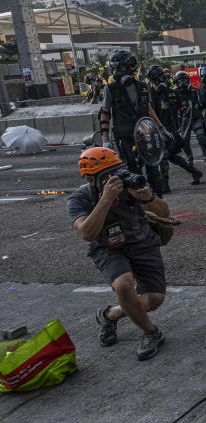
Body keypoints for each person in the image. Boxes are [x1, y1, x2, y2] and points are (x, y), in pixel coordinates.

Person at [68, 147, 170, 360]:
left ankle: (109, 314)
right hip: (109, 248)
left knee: (154, 300)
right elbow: (87, 233)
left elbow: (164, 213)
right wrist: (105, 200)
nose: (115, 179)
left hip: (143, 243)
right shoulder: (81, 198)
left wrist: (148, 197)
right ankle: (151, 332)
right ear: (91, 179)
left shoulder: (131, 185)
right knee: (124, 285)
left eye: (118, 171)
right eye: (107, 176)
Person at [98, 51, 164, 194]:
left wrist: (161, 128)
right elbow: (105, 113)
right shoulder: (110, 89)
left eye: (120, 68)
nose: (116, 72)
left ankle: (157, 202)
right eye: (114, 68)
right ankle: (139, 208)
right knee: (132, 172)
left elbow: (148, 109)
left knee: (153, 169)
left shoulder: (142, 87)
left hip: (145, 133)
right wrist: (105, 139)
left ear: (130, 67)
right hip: (125, 136)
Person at [145, 66, 203, 191]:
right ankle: (195, 172)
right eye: (159, 78)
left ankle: (165, 185)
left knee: (164, 156)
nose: (162, 80)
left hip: (171, 130)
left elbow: (185, 110)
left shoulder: (171, 92)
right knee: (171, 157)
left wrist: (181, 128)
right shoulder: (148, 94)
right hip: (155, 129)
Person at [173, 71, 206, 168]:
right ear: (176, 81)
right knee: (185, 141)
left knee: (202, 137)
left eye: (185, 79)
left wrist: (194, 93)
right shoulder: (174, 93)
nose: (183, 82)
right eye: (180, 80)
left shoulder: (193, 91)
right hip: (183, 120)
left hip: (195, 118)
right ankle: (189, 159)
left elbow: (200, 103)